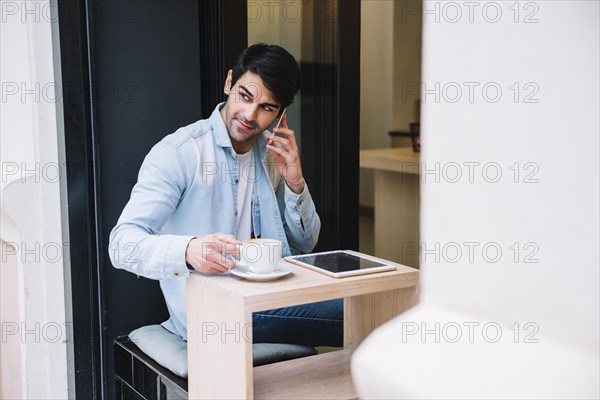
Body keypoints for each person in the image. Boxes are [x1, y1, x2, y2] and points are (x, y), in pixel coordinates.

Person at [109, 43, 342, 346]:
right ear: (229, 82)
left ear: (281, 113)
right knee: (361, 313)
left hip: (270, 296)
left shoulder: (272, 156)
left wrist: (296, 183)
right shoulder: (180, 153)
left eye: (266, 107)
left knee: (371, 301)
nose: (249, 114)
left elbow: (305, 243)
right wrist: (188, 250)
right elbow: (121, 244)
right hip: (214, 313)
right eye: (245, 96)